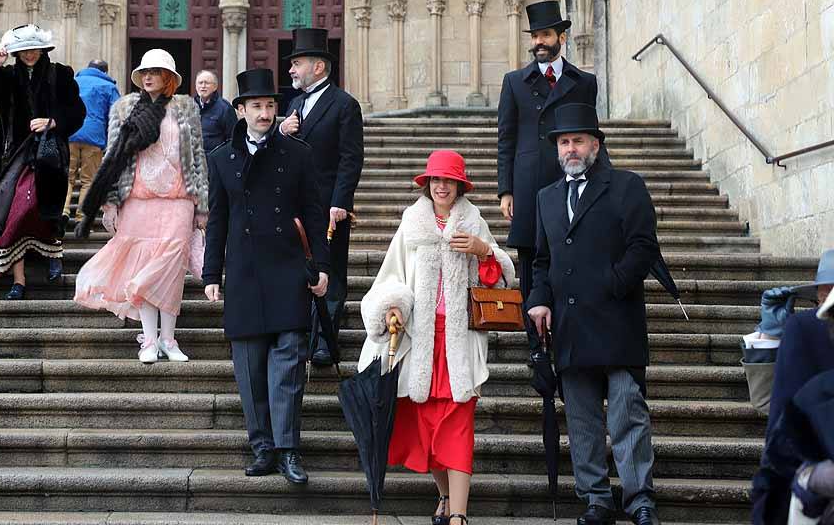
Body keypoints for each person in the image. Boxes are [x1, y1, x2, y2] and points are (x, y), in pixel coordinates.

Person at [359, 149, 515, 525]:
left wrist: (485, 252)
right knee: (426, 428)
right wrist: (392, 306)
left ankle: (458, 515)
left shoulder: (474, 222)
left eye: (449, 180)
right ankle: (445, 495)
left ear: (460, 185)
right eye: (436, 180)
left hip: (460, 340)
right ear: (427, 184)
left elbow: (502, 280)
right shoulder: (412, 223)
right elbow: (391, 277)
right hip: (420, 342)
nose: (442, 186)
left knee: (458, 424)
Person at [526, 104, 661, 525]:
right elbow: (541, 261)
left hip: (617, 323)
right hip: (569, 328)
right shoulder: (546, 198)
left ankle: (639, 500)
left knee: (627, 415)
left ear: (596, 146)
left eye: (578, 141)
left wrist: (612, 285)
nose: (570, 148)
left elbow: (643, 248)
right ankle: (597, 500)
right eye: (564, 142)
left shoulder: (627, 187)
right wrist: (539, 298)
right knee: (582, 422)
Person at [204, 67, 329, 485]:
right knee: (250, 369)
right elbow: (217, 220)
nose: (264, 113)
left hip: (288, 269)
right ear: (239, 110)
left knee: (289, 365)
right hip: (243, 271)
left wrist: (323, 267)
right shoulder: (221, 158)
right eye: (256, 106)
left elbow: (313, 213)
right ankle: (262, 448)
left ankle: (288, 449)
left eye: (270, 105)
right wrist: (210, 273)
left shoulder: (299, 154)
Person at [73, 49, 207, 362]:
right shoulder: (125, 108)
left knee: (171, 267)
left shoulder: (186, 108)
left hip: (178, 198)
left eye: (156, 71)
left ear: (169, 77)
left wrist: (202, 203)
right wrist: (108, 200)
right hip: (137, 198)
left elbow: (197, 156)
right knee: (144, 264)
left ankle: (169, 340)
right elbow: (113, 154)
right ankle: (149, 341)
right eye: (144, 71)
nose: (148, 76)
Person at [497, 0, 600, 352]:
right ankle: (535, 342)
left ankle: (572, 333)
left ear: (561, 36)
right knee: (529, 261)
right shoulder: (514, 82)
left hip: (570, 181)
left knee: (573, 255)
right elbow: (505, 138)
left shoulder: (584, 82)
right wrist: (505, 190)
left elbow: (592, 135)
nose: (539, 42)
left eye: (545, 35)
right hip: (528, 186)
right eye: (535, 36)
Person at [0, 24, 85, 298]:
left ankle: (53, 254)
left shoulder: (61, 74)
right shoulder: (7, 76)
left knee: (44, 205)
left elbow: (78, 111)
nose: (29, 55)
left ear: (42, 48)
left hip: (49, 154)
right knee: (14, 210)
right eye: (23, 50)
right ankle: (19, 279)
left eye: (33, 49)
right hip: (12, 153)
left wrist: (53, 121)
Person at [278, 27, 364, 366]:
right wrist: (281, 132)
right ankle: (300, 336)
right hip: (295, 206)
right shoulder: (295, 103)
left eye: (296, 63)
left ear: (318, 66)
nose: (291, 70)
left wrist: (341, 201)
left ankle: (326, 342)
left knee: (331, 273)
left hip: (329, 206)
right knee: (298, 272)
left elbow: (351, 157)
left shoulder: (344, 105)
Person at [752, 251, 834, 524]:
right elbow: (771, 408)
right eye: (820, 300)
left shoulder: (805, 328)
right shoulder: (805, 330)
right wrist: (769, 337)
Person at [64, 59, 120, 222]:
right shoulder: (109, 87)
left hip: (70, 133)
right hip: (94, 138)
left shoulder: (73, 82)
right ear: (105, 72)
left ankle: (63, 210)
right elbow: (116, 114)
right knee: (89, 180)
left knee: (67, 176)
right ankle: (82, 216)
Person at [194, 69, 236, 154]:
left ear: (215, 87)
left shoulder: (225, 108)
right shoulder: (189, 106)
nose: (203, 86)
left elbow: (232, 139)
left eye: (207, 83)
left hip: (214, 162)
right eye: (200, 83)